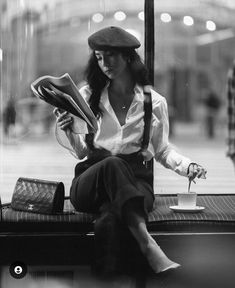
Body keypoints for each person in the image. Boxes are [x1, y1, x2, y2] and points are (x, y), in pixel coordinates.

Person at [54, 26, 207, 275]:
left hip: (136, 184)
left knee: (111, 218)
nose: (104, 63)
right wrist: (69, 131)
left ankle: (108, 279)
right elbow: (83, 152)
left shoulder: (153, 103)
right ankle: (148, 245)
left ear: (127, 56)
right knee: (113, 164)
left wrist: (187, 166)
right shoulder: (87, 96)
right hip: (90, 183)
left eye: (110, 56)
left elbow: (162, 150)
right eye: (99, 57)